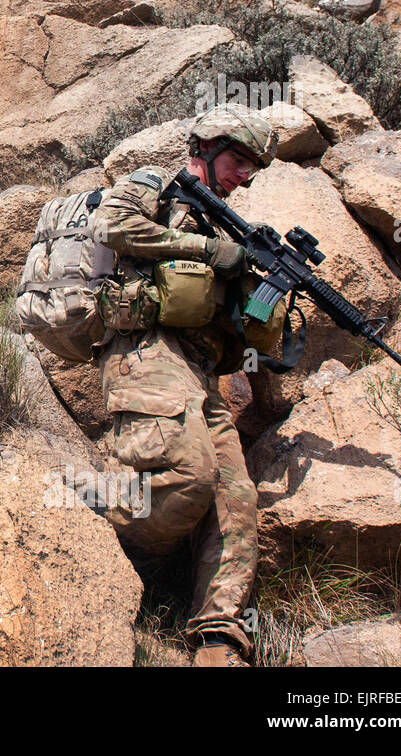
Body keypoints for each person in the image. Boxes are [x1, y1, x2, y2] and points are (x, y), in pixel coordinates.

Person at [90, 106, 283, 667]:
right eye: (238, 160)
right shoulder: (157, 184)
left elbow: (238, 322)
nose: (244, 175)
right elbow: (110, 225)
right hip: (146, 352)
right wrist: (204, 251)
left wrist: (258, 287)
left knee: (235, 495)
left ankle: (219, 636)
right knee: (187, 472)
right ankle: (120, 557)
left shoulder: (229, 228)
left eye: (253, 168)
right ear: (206, 147)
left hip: (203, 373)